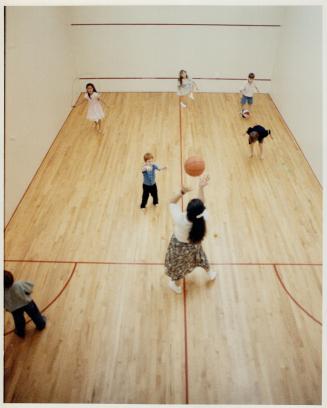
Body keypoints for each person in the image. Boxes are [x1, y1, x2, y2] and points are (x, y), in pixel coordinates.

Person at [165, 175, 217, 294]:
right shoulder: (203, 218)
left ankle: (173, 283)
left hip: (179, 247)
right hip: (195, 244)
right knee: (201, 256)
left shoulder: (179, 219)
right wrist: (201, 187)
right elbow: (201, 205)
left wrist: (183, 191)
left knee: (177, 266)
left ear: (188, 210)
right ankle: (210, 272)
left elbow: (172, 203)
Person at [4, 270, 47, 338]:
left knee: (18, 320)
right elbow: (29, 290)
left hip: (14, 308)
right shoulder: (18, 284)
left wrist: (7, 307)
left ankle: (20, 332)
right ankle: (41, 325)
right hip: (27, 303)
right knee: (35, 314)